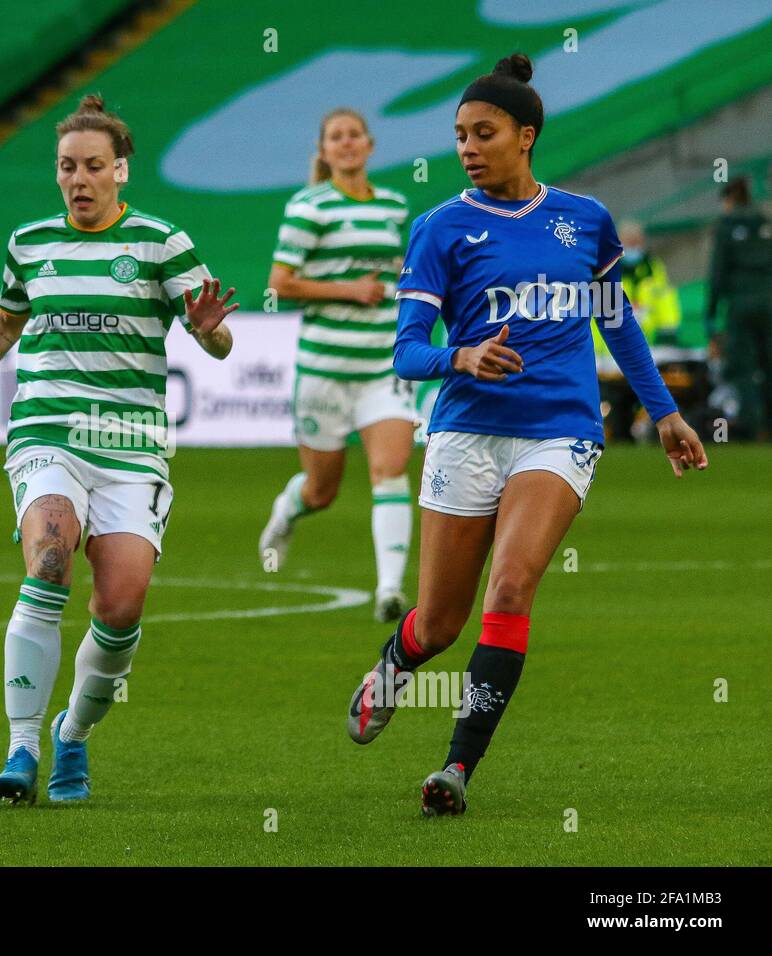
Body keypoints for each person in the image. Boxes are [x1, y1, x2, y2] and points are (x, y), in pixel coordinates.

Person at [345, 54, 707, 816]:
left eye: (484, 133)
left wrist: (664, 411)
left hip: (561, 431)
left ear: (526, 136)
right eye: (459, 137)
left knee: (510, 588)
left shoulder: (584, 220)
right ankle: (398, 660)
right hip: (466, 433)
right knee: (440, 622)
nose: (468, 148)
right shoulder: (440, 228)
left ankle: (456, 769)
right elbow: (407, 352)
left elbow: (617, 321)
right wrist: (461, 356)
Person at [0, 95, 237, 804]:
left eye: (94, 166)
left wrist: (210, 330)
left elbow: (215, 342)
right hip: (48, 434)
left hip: (132, 446)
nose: (79, 179)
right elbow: (7, 325)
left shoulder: (162, 243)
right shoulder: (29, 242)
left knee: (121, 605)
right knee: (49, 557)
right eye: (68, 167)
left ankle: (73, 733)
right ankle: (22, 749)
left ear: (120, 171)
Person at [258, 108, 416, 622]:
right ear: (323, 151)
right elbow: (279, 283)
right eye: (336, 138)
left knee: (389, 472)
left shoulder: (394, 206)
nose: (346, 144)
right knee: (321, 490)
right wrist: (347, 290)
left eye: (354, 136)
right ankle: (288, 510)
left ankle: (389, 590)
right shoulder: (309, 207)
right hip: (324, 369)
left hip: (381, 366)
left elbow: (401, 276)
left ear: (370, 146)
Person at [593, 220, 682, 441]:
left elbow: (665, 301)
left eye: (636, 243)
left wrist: (668, 332)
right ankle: (622, 431)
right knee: (615, 397)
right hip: (605, 352)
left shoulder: (652, 268)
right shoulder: (606, 267)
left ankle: (644, 431)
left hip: (646, 346)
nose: (633, 248)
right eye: (629, 243)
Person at [706, 176, 772, 440]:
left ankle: (754, 426)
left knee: (742, 367)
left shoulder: (726, 226)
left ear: (729, 199)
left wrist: (710, 313)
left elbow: (718, 273)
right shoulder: (766, 223)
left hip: (742, 305)